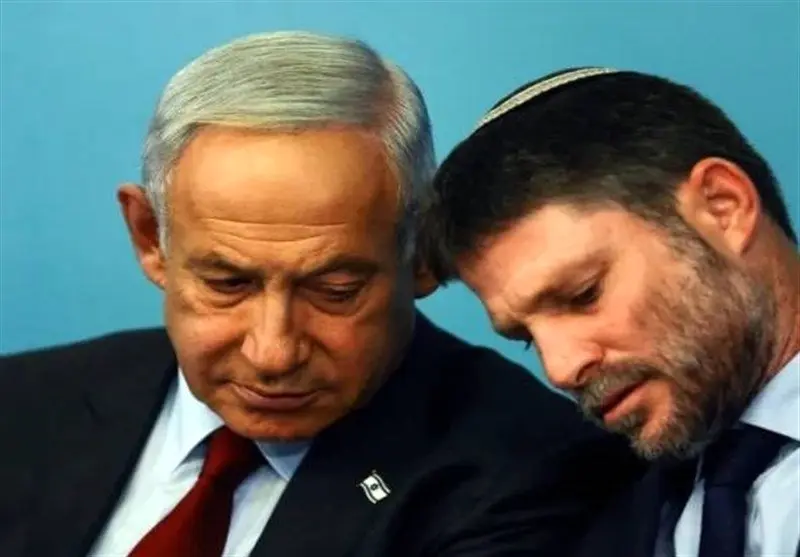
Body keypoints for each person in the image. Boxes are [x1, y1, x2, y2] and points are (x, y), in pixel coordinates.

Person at [0, 39, 642, 557]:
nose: (273, 353)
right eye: (227, 284)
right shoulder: (21, 403)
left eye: (336, 291)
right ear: (150, 238)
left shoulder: (528, 472)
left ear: (424, 253)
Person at [421, 66, 800, 557]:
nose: (561, 369)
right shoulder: (592, 515)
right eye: (527, 338)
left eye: (584, 294)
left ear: (722, 207)